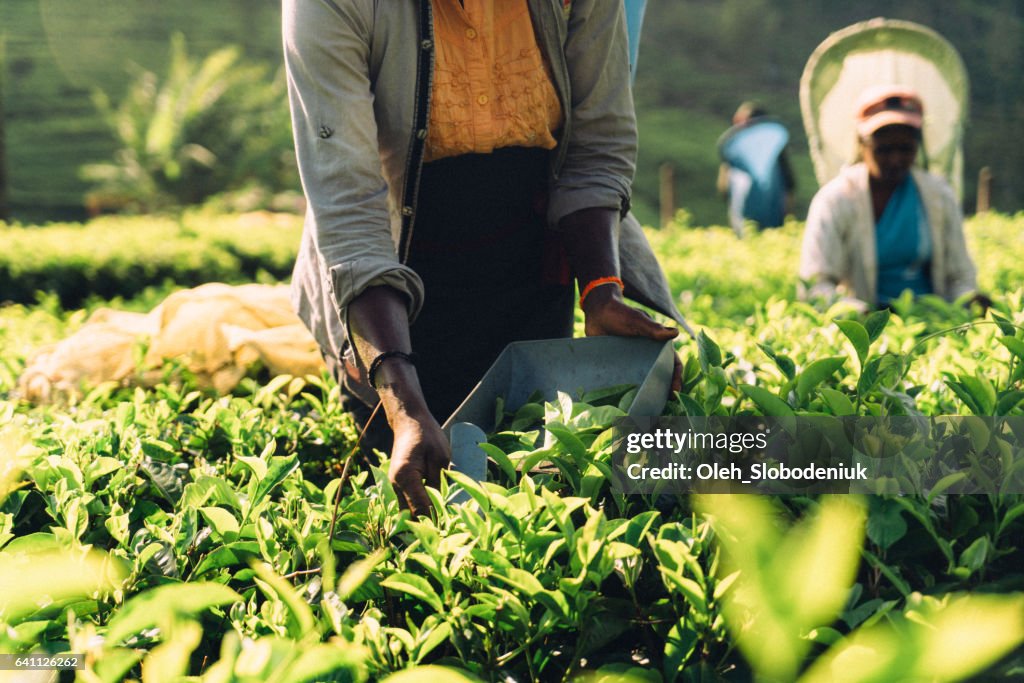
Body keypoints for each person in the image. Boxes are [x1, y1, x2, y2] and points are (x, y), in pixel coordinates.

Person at [282, 0, 687, 517]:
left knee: (541, 483)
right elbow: (350, 208)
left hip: (530, 262)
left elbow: (597, 142)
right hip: (392, 291)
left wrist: (601, 290)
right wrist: (403, 406)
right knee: (415, 504)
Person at [799, 85, 987, 311]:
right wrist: (858, 313)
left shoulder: (938, 195)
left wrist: (969, 299)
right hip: (867, 327)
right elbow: (814, 285)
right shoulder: (836, 200)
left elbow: (959, 276)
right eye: (884, 149)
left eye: (905, 149)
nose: (896, 159)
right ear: (862, 144)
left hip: (932, 321)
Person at [717, 101, 796, 234]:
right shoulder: (735, 155)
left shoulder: (773, 153)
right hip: (749, 219)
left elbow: (789, 184)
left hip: (770, 216)